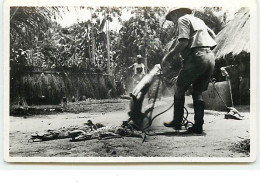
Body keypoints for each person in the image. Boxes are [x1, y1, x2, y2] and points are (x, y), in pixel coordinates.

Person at [161, 8, 217, 133]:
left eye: (172, 20)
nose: (174, 23)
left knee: (179, 87)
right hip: (209, 57)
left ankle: (177, 121)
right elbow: (213, 35)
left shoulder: (182, 19)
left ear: (175, 14)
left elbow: (183, 42)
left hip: (196, 57)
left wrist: (168, 56)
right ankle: (198, 126)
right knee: (197, 92)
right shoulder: (198, 20)